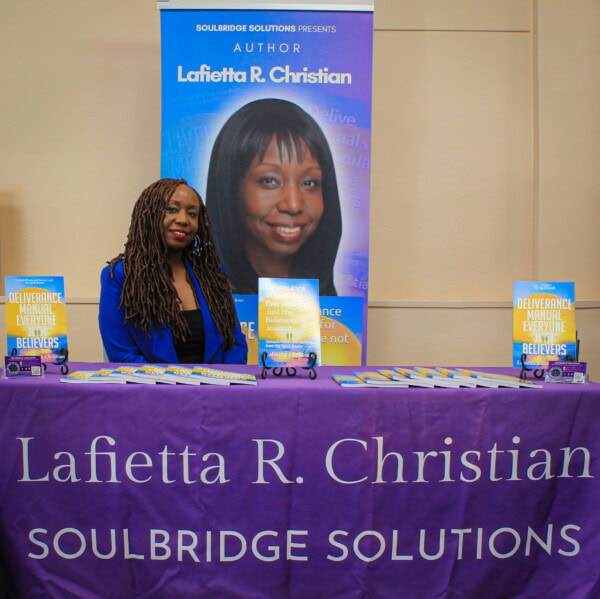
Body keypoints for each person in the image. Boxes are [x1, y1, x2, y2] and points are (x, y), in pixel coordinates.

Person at [99, 178, 248, 364]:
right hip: (153, 389)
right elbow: (121, 353)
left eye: (192, 214)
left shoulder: (213, 274)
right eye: (172, 209)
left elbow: (235, 343)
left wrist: (219, 385)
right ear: (149, 214)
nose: (183, 220)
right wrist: (173, 388)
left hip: (214, 388)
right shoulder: (119, 276)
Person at [205, 98, 342, 295]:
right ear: (230, 188)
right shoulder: (198, 297)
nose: (293, 205)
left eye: (309, 183)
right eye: (270, 181)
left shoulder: (334, 309)